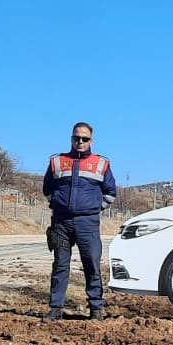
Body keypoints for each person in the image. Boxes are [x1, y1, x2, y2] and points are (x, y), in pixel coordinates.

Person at [42, 121, 118, 320]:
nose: (80, 142)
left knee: (92, 263)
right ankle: (56, 308)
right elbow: (47, 189)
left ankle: (96, 309)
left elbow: (110, 192)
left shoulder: (101, 164)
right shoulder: (57, 161)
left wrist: (94, 209)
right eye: (77, 138)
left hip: (88, 224)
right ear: (71, 139)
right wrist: (57, 204)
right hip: (61, 223)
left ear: (91, 141)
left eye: (85, 138)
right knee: (60, 264)